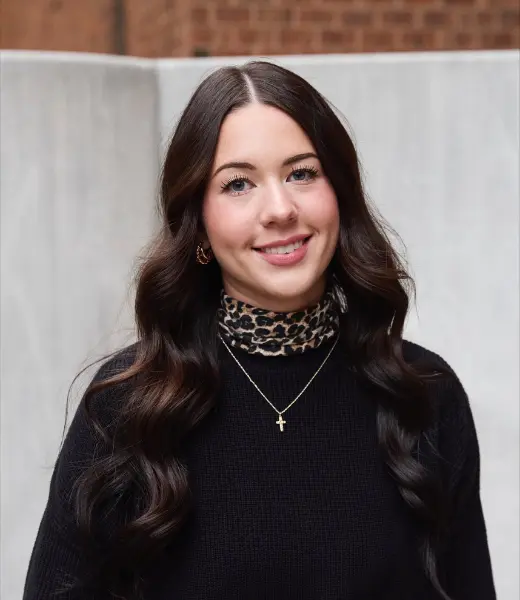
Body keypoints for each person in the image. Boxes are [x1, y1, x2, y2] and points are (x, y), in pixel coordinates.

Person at [23, 60, 496, 600]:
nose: (279, 209)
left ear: (338, 192)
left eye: (301, 173)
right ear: (198, 223)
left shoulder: (424, 396)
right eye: (239, 184)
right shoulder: (126, 409)